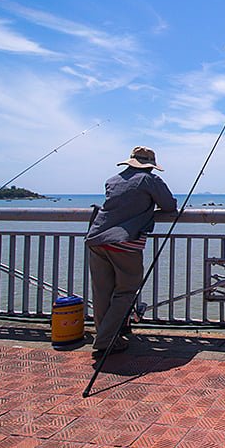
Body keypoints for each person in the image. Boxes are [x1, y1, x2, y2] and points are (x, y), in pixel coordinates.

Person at [85, 146, 177, 356]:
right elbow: (169, 205)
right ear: (151, 166)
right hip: (125, 242)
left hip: (97, 239)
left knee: (102, 293)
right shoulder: (149, 180)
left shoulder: (112, 180)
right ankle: (106, 339)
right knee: (126, 291)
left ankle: (106, 335)